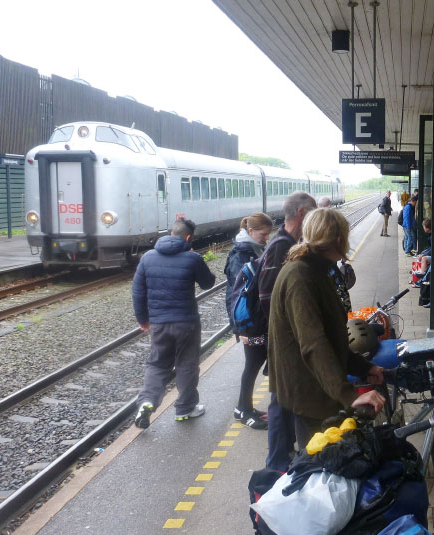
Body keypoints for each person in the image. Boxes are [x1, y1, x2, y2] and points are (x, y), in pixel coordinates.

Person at [268, 207, 386, 448]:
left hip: (318, 387)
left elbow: (332, 336)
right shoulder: (300, 276)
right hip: (310, 393)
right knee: (321, 465)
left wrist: (363, 366)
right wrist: (349, 395)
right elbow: (314, 343)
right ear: (340, 239)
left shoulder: (315, 269)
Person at [132, 219, 216, 429]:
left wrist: (143, 319)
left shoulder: (147, 257)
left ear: (171, 233)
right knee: (187, 364)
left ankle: (147, 402)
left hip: (159, 323)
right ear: (189, 237)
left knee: (157, 364)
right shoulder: (193, 258)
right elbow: (208, 283)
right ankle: (185, 408)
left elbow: (138, 292)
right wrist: (198, 260)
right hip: (186, 322)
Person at [260, 192, 318, 469]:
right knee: (280, 403)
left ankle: (283, 458)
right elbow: (266, 297)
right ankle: (275, 465)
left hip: (289, 342)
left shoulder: (291, 243)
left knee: (287, 401)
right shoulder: (279, 246)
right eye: (312, 213)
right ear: (301, 213)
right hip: (282, 343)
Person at [223, 212, 273, 430]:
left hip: (255, 320)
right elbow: (240, 294)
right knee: (252, 363)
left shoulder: (253, 249)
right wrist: (240, 329)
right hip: (248, 324)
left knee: (255, 362)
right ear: (251, 232)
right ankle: (243, 410)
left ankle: (244, 407)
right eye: (263, 234)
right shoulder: (240, 255)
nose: (266, 238)